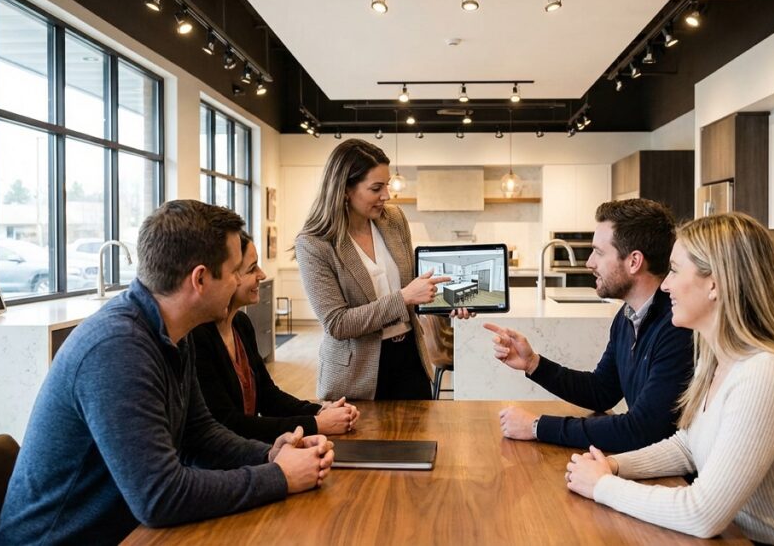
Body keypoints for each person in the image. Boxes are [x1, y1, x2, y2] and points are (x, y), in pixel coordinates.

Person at [0, 200, 335, 545]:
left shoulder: (171, 332)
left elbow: (199, 435)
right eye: (234, 272)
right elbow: (160, 497)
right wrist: (279, 476)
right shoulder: (117, 348)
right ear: (199, 279)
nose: (240, 281)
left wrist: (270, 455)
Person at [565, 212, 774, 544]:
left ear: (714, 284)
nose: (665, 284)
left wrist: (602, 486)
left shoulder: (765, 375)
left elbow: (702, 514)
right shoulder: (716, 360)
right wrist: (613, 465)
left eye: (674, 270)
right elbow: (687, 447)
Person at [485, 199, 694, 452]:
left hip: (673, 481)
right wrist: (533, 364)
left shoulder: (677, 327)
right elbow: (601, 391)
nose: (589, 263)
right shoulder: (627, 316)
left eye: (599, 252)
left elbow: (643, 430)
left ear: (634, 261)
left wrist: (537, 426)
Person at [296, 138, 468, 401]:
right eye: (376, 188)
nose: (386, 196)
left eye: (386, 185)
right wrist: (403, 298)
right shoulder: (314, 244)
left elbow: (414, 286)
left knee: (421, 440)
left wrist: (449, 304)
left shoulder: (394, 219)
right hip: (355, 372)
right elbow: (337, 323)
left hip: (411, 358)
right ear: (344, 189)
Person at [191, 233, 360, 443]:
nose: (261, 275)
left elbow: (268, 396)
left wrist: (320, 411)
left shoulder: (241, 324)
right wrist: (316, 424)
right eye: (251, 269)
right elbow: (229, 423)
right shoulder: (196, 338)